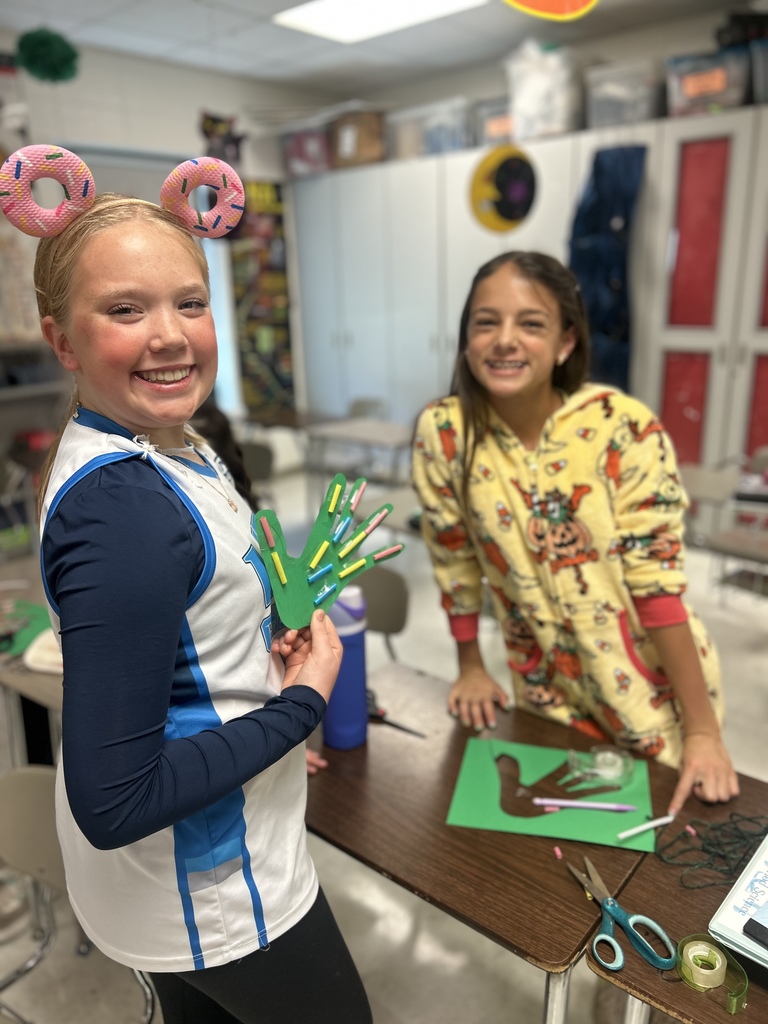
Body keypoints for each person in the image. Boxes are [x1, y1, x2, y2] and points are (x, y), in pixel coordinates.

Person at [34, 191, 372, 1023]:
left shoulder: (161, 442)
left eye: (191, 302)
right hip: (212, 887)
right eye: (124, 309)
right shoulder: (124, 512)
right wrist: (301, 705)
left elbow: (181, 636)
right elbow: (115, 800)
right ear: (60, 340)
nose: (170, 334)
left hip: (176, 881)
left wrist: (261, 642)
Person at [411, 250, 739, 817]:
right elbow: (453, 557)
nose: (504, 340)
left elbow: (656, 586)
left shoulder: (623, 428)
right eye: (485, 322)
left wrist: (704, 733)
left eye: (531, 323)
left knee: (662, 850)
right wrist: (469, 665)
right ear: (466, 339)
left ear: (566, 342)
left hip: (653, 691)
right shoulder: (445, 433)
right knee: (556, 861)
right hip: (545, 695)